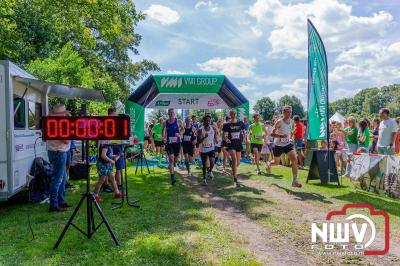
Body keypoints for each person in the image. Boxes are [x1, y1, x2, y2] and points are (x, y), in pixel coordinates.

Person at [47, 104, 71, 212]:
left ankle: (61, 201)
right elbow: (66, 140)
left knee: (62, 179)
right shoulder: (59, 125)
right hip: (59, 152)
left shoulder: (51, 122)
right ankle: (54, 204)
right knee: (57, 179)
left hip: (55, 152)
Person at [271, 105, 302, 188]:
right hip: (278, 145)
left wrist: (290, 138)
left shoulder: (292, 122)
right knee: (276, 162)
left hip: (287, 144)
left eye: (290, 112)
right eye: (287, 112)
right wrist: (281, 136)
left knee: (295, 160)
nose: (289, 114)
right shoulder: (279, 122)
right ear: (283, 113)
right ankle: (268, 164)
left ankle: (294, 181)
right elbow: (272, 134)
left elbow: (290, 132)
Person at [223, 109, 245, 187]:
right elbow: (225, 135)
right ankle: (235, 178)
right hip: (231, 144)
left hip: (238, 144)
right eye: (231, 114)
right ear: (230, 115)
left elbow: (243, 132)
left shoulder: (240, 123)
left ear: (236, 114)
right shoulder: (226, 125)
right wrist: (226, 139)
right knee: (235, 160)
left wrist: (245, 139)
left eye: (234, 113)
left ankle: (232, 166)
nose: (233, 115)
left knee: (237, 163)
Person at [163, 108, 183, 185]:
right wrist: (164, 138)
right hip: (169, 143)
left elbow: (183, 129)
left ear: (174, 114)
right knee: (171, 159)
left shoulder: (178, 121)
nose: (171, 114)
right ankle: (172, 177)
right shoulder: (165, 122)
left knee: (175, 160)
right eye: (170, 113)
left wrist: (180, 134)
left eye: (172, 113)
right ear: (168, 114)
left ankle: (171, 165)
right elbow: (163, 131)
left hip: (177, 143)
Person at [197, 113, 218, 186]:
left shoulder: (213, 128)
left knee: (213, 161)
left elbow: (215, 134)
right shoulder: (200, 130)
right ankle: (204, 180)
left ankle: (210, 171)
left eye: (209, 121)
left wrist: (216, 139)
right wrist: (204, 137)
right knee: (204, 165)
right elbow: (198, 141)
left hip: (211, 148)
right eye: (207, 121)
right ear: (204, 121)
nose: (208, 122)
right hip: (203, 149)